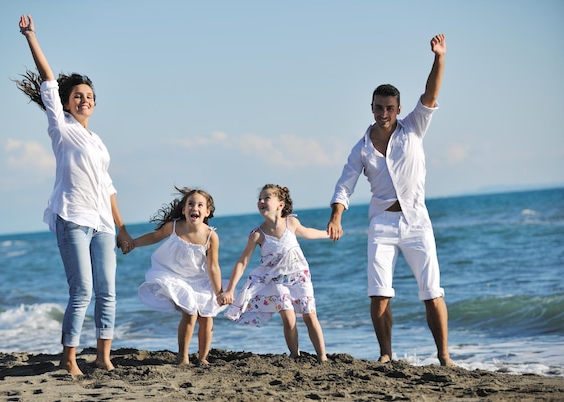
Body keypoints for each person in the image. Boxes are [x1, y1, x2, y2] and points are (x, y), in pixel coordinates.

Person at [15, 15, 133, 376]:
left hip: (102, 224)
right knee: (82, 290)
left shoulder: (97, 142)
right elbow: (48, 81)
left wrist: (122, 228)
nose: (84, 100)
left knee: (108, 292)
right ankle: (68, 359)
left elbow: (107, 185)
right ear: (66, 103)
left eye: (89, 97)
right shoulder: (61, 128)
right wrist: (31, 36)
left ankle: (103, 356)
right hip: (72, 218)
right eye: (78, 96)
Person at [326, 34, 453, 366]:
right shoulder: (361, 147)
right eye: (379, 108)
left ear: (398, 109)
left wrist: (438, 58)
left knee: (432, 291)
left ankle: (444, 356)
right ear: (372, 108)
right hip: (382, 223)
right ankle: (385, 354)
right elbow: (345, 185)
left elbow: (431, 94)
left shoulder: (413, 127)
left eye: (390, 108)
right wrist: (337, 216)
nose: (384, 113)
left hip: (417, 221)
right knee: (379, 294)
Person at [220, 184, 329, 363]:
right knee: (288, 316)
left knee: (310, 314)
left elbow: (308, 233)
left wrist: (328, 234)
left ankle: (322, 357)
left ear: (280, 204)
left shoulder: (291, 223)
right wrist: (231, 289)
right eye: (260, 199)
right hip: (276, 281)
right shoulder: (257, 234)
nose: (261, 201)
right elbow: (243, 262)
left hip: (300, 277)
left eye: (266, 198)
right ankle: (295, 355)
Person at [130, 187, 225, 365]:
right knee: (190, 312)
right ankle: (183, 356)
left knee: (207, 315)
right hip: (174, 277)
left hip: (199, 280)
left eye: (199, 205)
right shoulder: (174, 227)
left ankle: (203, 358)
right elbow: (154, 237)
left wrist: (219, 291)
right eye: (190, 204)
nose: (194, 208)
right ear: (183, 209)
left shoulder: (211, 236)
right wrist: (134, 243)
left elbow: (213, 267)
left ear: (207, 212)